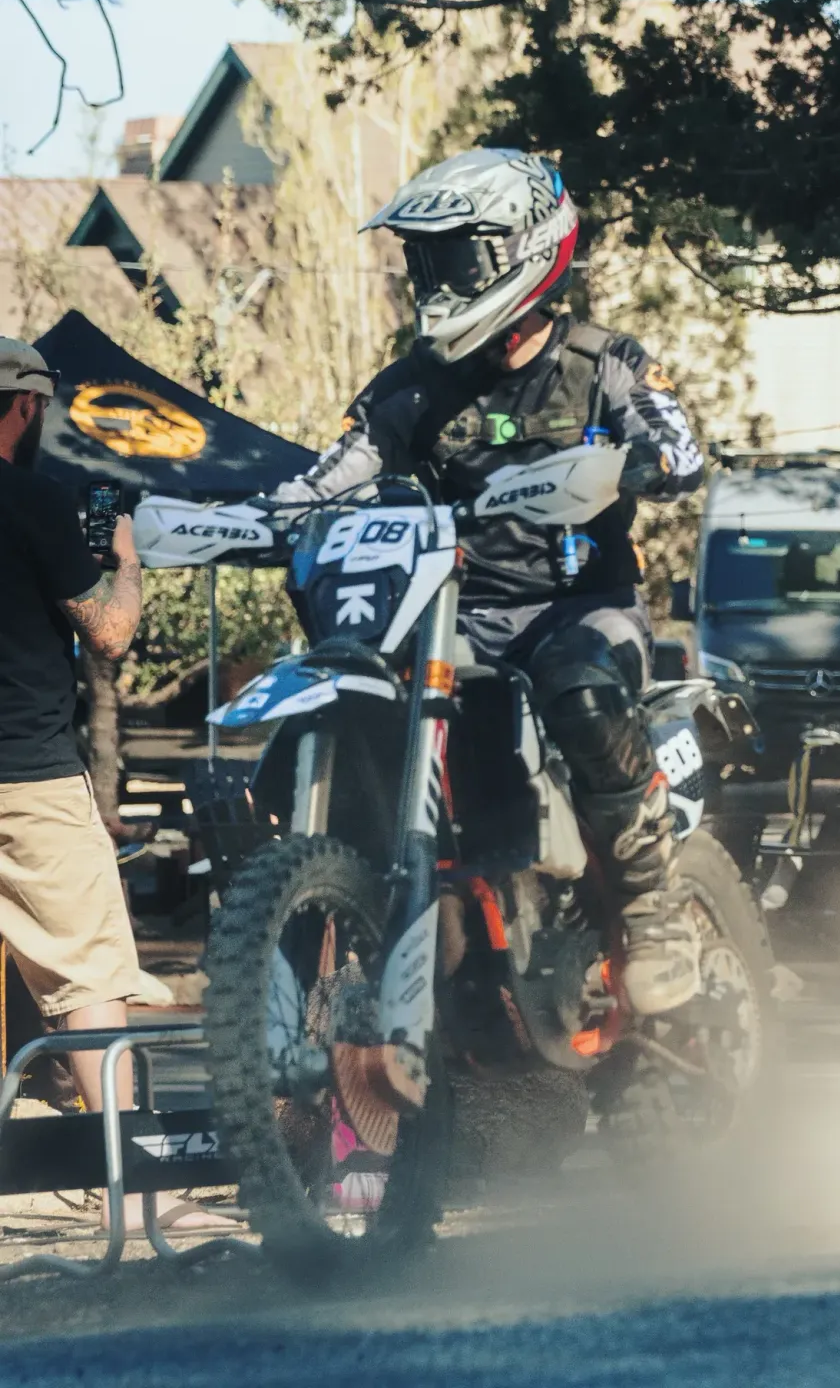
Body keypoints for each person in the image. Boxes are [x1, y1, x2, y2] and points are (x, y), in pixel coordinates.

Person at [270, 149, 706, 1017]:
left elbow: (680, 446)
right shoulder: (411, 389)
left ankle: (653, 907)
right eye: (423, 260)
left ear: (526, 249)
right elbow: (325, 477)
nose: (434, 281)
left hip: (579, 610)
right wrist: (247, 512)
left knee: (580, 691)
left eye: (456, 258)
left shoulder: (602, 362)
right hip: (449, 622)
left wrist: (646, 462)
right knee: (344, 705)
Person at [0, 338, 221, 1230]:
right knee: (91, 979)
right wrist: (124, 559)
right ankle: (139, 1200)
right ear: (22, 407)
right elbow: (110, 635)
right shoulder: (33, 500)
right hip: (26, 782)